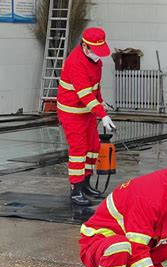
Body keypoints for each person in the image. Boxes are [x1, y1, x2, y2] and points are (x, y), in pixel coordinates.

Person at [57, 27, 117, 206]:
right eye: (94, 51)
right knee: (79, 150)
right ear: (84, 46)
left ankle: (85, 183)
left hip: (87, 111)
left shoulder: (96, 60)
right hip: (72, 112)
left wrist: (100, 101)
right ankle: (75, 189)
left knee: (93, 147)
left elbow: (95, 87)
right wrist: (102, 114)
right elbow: (84, 94)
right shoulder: (76, 62)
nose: (97, 55)